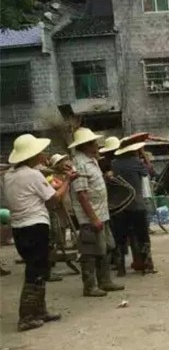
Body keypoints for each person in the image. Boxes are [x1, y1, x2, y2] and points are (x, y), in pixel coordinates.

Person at [3, 134, 77, 331]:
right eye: (41, 152)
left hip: (20, 228)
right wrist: (68, 181)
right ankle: (26, 316)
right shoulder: (33, 175)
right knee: (35, 272)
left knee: (39, 269)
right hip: (35, 226)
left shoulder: (10, 175)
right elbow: (54, 200)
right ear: (33, 155)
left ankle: (39, 311)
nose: (44, 154)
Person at [69, 127, 124, 297]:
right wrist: (93, 218)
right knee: (90, 252)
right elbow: (82, 195)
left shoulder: (91, 160)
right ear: (86, 145)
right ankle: (90, 285)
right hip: (90, 216)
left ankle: (105, 280)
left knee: (106, 247)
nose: (97, 145)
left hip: (101, 212)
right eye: (93, 143)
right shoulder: (80, 164)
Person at [111, 140, 156, 274]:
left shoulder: (114, 164)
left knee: (120, 239)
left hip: (121, 206)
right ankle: (147, 265)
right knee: (142, 237)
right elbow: (150, 171)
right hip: (137, 204)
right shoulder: (136, 162)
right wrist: (143, 155)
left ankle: (120, 268)